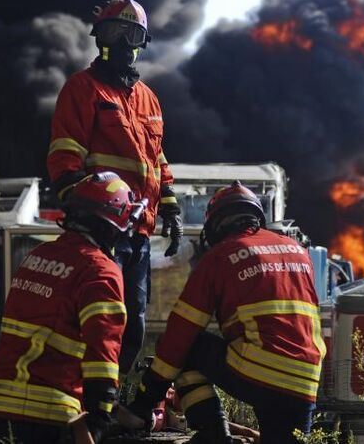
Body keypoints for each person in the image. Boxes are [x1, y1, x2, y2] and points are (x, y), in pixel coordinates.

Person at [126, 182, 325, 444]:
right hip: (306, 380)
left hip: (260, 370)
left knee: (186, 348)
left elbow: (180, 334)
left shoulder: (220, 256)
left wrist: (145, 400)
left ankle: (214, 433)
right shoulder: (298, 251)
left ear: (217, 225)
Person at [47, 0, 183, 376]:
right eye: (114, 32)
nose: (123, 44)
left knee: (133, 322)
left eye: (132, 34)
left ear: (143, 43)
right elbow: (64, 152)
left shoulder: (149, 99)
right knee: (95, 319)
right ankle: (86, 404)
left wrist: (169, 207)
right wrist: (75, 203)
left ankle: (113, 399)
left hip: (138, 232)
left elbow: (156, 159)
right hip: (100, 230)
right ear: (98, 37)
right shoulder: (83, 89)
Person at [0, 172, 147, 443]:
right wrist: (100, 415)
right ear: (112, 226)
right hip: (50, 413)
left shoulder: (37, 256)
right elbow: (102, 351)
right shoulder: (100, 271)